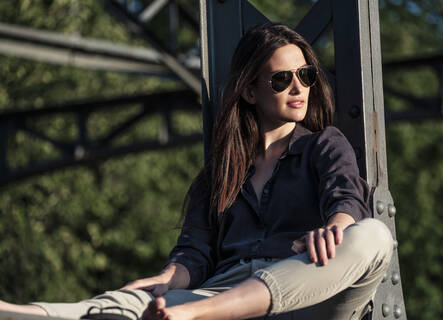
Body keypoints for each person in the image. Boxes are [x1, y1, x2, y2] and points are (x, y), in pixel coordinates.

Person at [0, 23, 393, 320]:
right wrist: (168, 279)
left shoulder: (324, 143)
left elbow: (346, 197)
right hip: (217, 297)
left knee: (374, 236)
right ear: (250, 91)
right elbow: (195, 255)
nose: (298, 88)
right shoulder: (219, 175)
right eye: (281, 79)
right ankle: (29, 314)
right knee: (136, 301)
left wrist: (336, 226)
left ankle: (195, 313)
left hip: (303, 296)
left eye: (305, 75)